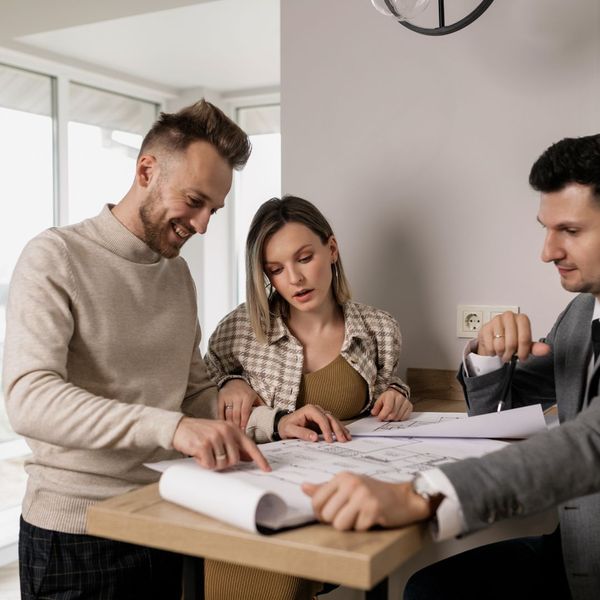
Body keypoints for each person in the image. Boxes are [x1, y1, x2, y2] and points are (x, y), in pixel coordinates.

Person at [302, 134, 600, 600]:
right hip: (574, 552)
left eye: (571, 231)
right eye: (546, 228)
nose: (548, 251)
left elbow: (587, 444)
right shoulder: (582, 315)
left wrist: (419, 494)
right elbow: (504, 411)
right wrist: (484, 353)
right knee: (429, 589)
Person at [3, 99, 270, 600]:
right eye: (195, 200)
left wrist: (271, 422)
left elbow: (192, 395)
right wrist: (170, 427)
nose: (203, 224)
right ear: (147, 170)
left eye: (213, 209)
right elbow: (29, 398)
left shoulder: (178, 276)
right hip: (75, 536)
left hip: (161, 519)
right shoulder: (55, 257)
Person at [203, 195, 412, 599]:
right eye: (276, 269)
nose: (294, 279)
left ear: (331, 250)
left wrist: (399, 395)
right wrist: (226, 383)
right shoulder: (241, 329)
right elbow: (201, 400)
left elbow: (386, 386)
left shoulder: (380, 329)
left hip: (333, 495)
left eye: (304, 258)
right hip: (254, 494)